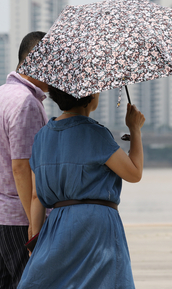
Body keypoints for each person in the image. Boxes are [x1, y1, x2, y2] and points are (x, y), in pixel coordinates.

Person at [17, 85, 145, 289]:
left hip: (58, 225)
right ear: (91, 95)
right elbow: (134, 173)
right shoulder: (96, 133)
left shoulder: (42, 137)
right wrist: (135, 130)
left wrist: (36, 239)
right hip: (97, 225)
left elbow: (36, 196)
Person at [0, 31, 49, 289]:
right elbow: (21, 167)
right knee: (30, 284)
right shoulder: (26, 103)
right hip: (16, 219)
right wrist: (34, 222)